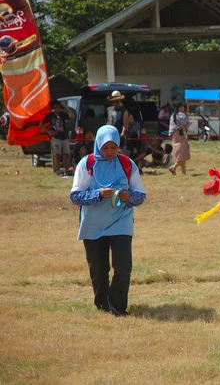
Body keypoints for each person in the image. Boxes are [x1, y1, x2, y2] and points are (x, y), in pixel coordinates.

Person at [70, 125, 146, 316]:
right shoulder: (86, 164)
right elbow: (75, 196)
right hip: (93, 224)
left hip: (121, 222)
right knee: (98, 268)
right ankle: (103, 304)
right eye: (105, 148)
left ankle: (118, 307)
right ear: (97, 145)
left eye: (113, 147)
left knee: (123, 266)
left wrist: (128, 196)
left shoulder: (127, 164)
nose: (110, 152)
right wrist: (98, 194)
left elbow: (141, 196)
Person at [39, 100, 76, 174]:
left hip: (64, 137)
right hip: (56, 138)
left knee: (66, 154)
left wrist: (66, 107)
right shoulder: (50, 116)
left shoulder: (62, 114)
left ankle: (66, 169)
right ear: (53, 108)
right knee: (57, 154)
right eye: (55, 107)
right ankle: (57, 169)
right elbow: (40, 125)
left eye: (58, 107)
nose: (57, 109)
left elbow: (72, 116)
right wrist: (49, 132)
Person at [168, 103, 191, 175]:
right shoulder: (180, 114)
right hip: (179, 134)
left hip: (175, 135)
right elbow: (184, 125)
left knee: (182, 154)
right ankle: (173, 167)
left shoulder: (173, 115)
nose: (183, 108)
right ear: (179, 107)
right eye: (182, 106)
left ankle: (183, 172)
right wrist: (189, 124)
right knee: (184, 154)